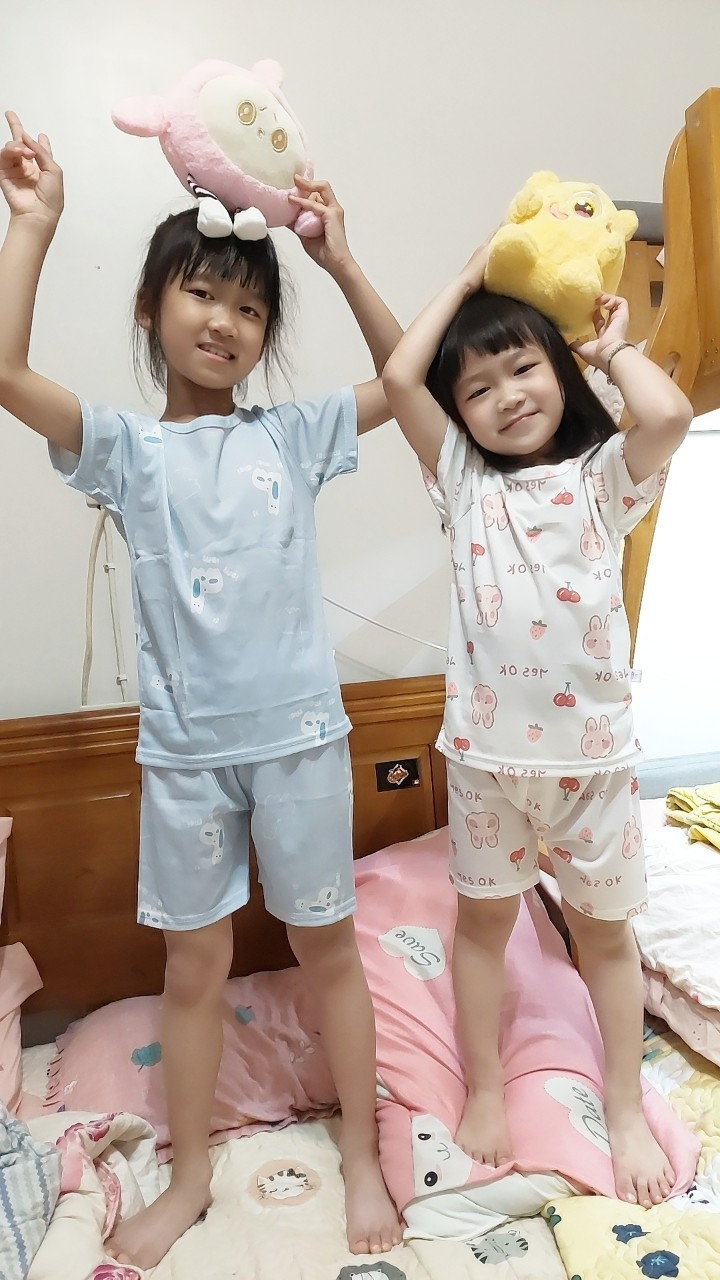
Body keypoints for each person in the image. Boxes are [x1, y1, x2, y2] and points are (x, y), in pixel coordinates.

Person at [0, 110, 404, 1267]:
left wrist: (339, 259)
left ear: (266, 333)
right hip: (184, 759)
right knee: (195, 966)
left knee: (331, 949)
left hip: (300, 742)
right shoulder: (127, 451)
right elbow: (6, 373)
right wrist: (34, 224)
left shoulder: (294, 435)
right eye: (201, 294)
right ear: (151, 307)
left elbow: (409, 375)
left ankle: (364, 1151)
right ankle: (187, 1176)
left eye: (250, 307)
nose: (225, 320)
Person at [381, 240, 692, 1209]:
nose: (507, 396)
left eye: (523, 368)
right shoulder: (462, 482)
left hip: (594, 768)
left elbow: (670, 415)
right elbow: (399, 377)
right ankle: (484, 1086)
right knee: (484, 928)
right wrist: (466, 279)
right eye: (478, 388)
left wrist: (611, 350)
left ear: (560, 371)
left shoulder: (602, 479)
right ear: (461, 412)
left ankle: (624, 1106)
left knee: (607, 939)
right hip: (486, 765)